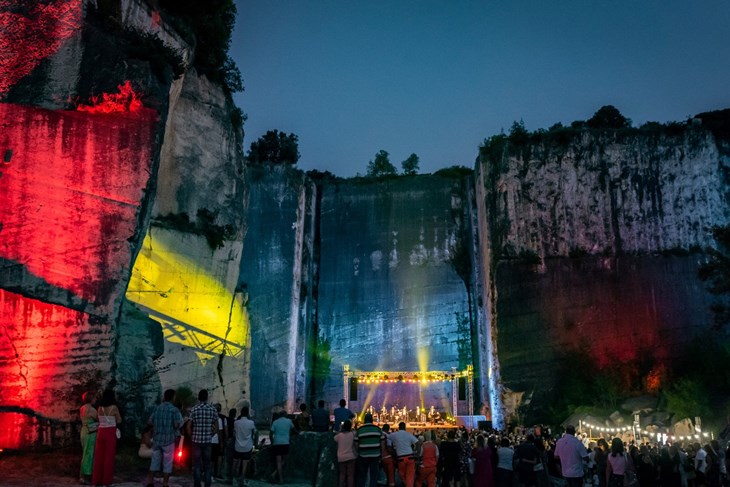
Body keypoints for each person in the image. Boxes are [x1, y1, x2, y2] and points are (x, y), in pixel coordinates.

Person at [145, 388, 183, 487]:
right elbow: (176, 425)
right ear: (173, 397)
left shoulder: (157, 408)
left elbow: (149, 421)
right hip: (169, 440)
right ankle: (165, 483)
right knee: (167, 463)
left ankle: (150, 482)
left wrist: (157, 426)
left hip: (157, 439)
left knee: (154, 461)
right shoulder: (174, 410)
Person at [92, 388, 122, 487]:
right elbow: (119, 420)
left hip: (101, 432)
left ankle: (97, 480)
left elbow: (98, 419)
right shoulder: (114, 408)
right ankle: (106, 481)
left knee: (99, 457)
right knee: (108, 457)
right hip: (110, 432)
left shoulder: (100, 408)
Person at [188, 389, 218, 487]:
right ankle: (207, 485)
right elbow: (216, 427)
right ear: (207, 397)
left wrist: (192, 436)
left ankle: (197, 485)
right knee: (207, 465)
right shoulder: (213, 409)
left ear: (199, 397)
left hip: (196, 440)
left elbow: (188, 426)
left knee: (197, 465)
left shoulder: (194, 409)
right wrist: (211, 434)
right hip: (207, 441)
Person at [355, 412, 385, 487]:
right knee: (374, 475)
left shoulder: (359, 430)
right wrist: (381, 454)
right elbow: (383, 443)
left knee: (362, 475)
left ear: (364, 420)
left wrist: (358, 453)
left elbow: (356, 444)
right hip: (375, 455)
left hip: (363, 455)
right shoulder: (377, 429)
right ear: (372, 420)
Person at [270, 409, 296, 483]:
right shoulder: (289, 421)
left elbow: (271, 434)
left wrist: (272, 442)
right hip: (285, 443)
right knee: (284, 460)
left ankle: (277, 476)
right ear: (285, 415)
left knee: (278, 461)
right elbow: (294, 430)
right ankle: (277, 476)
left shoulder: (275, 422)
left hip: (277, 443)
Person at [389, 422, 419, 487]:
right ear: (405, 428)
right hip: (410, 456)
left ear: (398, 427)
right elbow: (417, 442)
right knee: (410, 475)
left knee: (401, 474)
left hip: (401, 458)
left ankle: (406, 484)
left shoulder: (394, 435)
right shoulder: (409, 434)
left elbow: (387, 437)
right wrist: (416, 452)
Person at [233, 406, 256, 486]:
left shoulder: (236, 422)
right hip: (247, 446)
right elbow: (254, 433)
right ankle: (242, 479)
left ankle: (233, 478)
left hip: (237, 446)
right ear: (247, 413)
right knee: (244, 464)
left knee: (235, 462)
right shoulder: (251, 423)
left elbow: (234, 433)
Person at [79, 391, 98, 485]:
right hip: (91, 432)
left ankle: (82, 475)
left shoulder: (82, 408)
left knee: (85, 451)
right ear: (91, 398)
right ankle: (87, 475)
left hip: (83, 431)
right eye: (94, 398)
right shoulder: (92, 409)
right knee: (90, 453)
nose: (96, 399)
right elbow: (98, 419)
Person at [335, 419, 357, 487]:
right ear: (350, 426)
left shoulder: (339, 436)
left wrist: (340, 430)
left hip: (341, 457)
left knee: (342, 475)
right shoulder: (353, 434)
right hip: (351, 456)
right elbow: (356, 431)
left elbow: (334, 438)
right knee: (350, 475)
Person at [211, 403, 227, 479]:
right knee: (216, 458)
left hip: (207, 441)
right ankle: (216, 473)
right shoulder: (220, 419)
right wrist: (222, 443)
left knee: (209, 459)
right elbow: (220, 432)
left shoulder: (209, 417)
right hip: (215, 441)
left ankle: (208, 473)